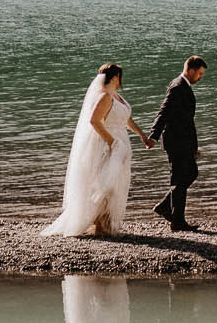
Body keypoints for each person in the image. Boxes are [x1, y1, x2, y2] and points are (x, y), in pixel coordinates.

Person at [42, 62, 152, 238]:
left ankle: (105, 223)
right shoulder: (104, 97)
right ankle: (100, 224)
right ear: (116, 77)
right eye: (120, 77)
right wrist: (111, 142)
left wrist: (141, 135)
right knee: (106, 185)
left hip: (121, 144)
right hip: (109, 146)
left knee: (117, 183)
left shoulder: (116, 96)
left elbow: (126, 119)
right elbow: (94, 121)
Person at [146, 55, 207, 231]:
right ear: (192, 70)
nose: (200, 77)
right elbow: (163, 112)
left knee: (190, 174)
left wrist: (193, 146)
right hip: (176, 141)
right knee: (179, 180)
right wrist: (153, 136)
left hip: (184, 141)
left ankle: (166, 207)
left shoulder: (183, 86)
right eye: (200, 74)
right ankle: (177, 220)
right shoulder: (178, 87)